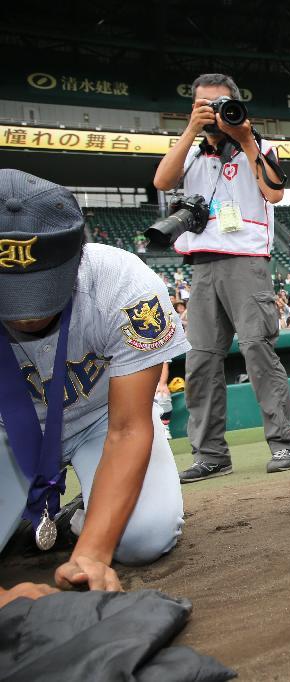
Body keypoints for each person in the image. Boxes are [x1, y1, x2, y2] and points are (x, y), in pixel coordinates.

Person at [0, 170, 188, 608]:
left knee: (145, 538)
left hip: (100, 419)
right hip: (7, 429)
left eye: (40, 288)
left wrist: (93, 555)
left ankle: (75, 523)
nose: (26, 315)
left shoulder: (122, 283)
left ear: (76, 258)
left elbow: (127, 428)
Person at [153, 73, 290, 481]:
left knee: (258, 351)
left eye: (220, 105)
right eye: (205, 105)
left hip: (246, 261)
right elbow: (162, 182)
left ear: (235, 105)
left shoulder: (261, 146)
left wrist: (246, 138)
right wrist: (190, 130)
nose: (214, 112)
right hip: (201, 264)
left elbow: (274, 193)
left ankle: (285, 443)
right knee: (200, 360)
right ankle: (210, 453)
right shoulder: (191, 154)